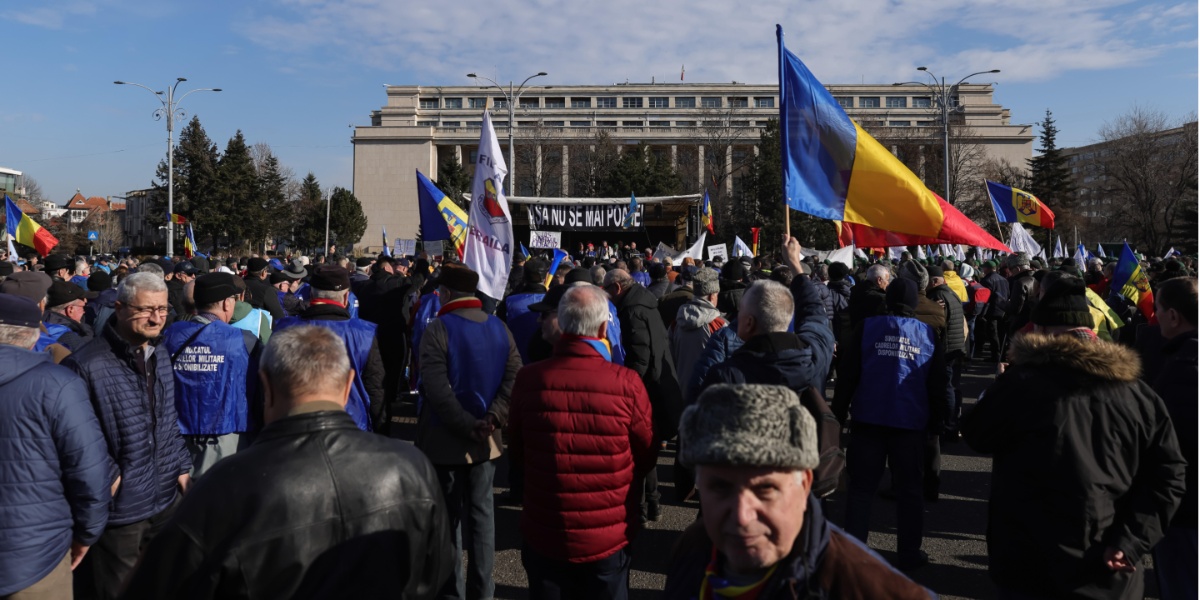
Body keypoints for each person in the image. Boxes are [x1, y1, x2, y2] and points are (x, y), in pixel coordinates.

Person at [121, 325, 455, 600]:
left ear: (264, 385)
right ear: (349, 384)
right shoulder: (411, 467)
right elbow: (435, 574)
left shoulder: (224, 485)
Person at [962, 276, 1186, 599]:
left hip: (1030, 568)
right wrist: (1131, 541)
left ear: (1043, 331)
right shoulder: (1139, 394)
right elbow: (1170, 474)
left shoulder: (1021, 383)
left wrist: (999, 386)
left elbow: (975, 432)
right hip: (1110, 570)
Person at [663, 384, 933, 599]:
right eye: (720, 487)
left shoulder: (873, 589)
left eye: (765, 489)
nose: (742, 516)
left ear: (804, 485)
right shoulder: (694, 546)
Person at [508, 285, 657, 599]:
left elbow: (518, 449)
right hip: (608, 533)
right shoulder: (627, 383)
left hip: (546, 527)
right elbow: (645, 453)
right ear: (604, 328)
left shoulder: (530, 378)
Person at [61, 272, 192, 599]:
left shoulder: (159, 354)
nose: (157, 318)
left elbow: (166, 416)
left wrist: (181, 465)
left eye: (162, 309)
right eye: (146, 309)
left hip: (164, 495)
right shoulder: (85, 364)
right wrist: (112, 476)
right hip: (121, 510)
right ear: (119, 308)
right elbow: (75, 438)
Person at [417, 263, 521, 600]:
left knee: (449, 522)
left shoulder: (438, 328)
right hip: (486, 440)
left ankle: (453, 593)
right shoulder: (499, 327)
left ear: (445, 293)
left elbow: (434, 387)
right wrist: (492, 418)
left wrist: (467, 423)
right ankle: (484, 591)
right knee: (482, 517)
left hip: (445, 441)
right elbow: (514, 378)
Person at [0, 294, 114, 599]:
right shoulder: (58, 384)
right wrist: (88, 532)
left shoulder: (57, 383)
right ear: (32, 335)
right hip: (36, 559)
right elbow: (89, 470)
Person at [838, 278, 947, 571]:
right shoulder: (927, 334)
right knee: (910, 491)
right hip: (909, 422)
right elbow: (938, 382)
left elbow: (848, 374)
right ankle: (909, 553)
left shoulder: (866, 327)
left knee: (861, 490)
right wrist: (939, 421)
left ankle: (855, 552)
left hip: (868, 419)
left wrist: (836, 414)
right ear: (913, 302)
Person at [162, 273, 262, 478]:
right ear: (227, 303)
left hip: (175, 438)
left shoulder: (168, 335)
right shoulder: (245, 340)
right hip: (229, 437)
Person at [603, 267, 683, 522]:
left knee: (639, 449)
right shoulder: (644, 303)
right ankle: (652, 502)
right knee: (646, 446)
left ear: (617, 288)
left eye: (607, 291)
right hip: (657, 386)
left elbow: (641, 358)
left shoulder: (632, 311)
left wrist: (626, 387)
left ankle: (642, 506)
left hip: (647, 389)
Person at [273, 266, 385, 432]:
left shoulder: (284, 328)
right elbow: (375, 387)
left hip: (294, 427)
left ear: (311, 295)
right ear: (346, 298)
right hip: (350, 426)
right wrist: (381, 429)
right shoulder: (364, 333)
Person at [1148, 277, 1197, 600]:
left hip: (1183, 513)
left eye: (1159, 309)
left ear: (1174, 316)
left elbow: (1173, 450)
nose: (1155, 316)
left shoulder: (1184, 369)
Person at [670, 267, 727, 391]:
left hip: (681, 393)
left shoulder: (676, 323)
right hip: (709, 396)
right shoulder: (719, 325)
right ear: (712, 296)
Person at [41, 280, 97, 350]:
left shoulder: (40, 324)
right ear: (70, 310)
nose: (84, 311)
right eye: (83, 307)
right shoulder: (72, 340)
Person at [977, 260, 1009, 362]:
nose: (983, 269)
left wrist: (982, 313)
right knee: (1001, 333)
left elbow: (985, 298)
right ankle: (1002, 355)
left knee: (993, 333)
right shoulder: (1004, 279)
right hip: (1003, 309)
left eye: (984, 268)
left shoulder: (987, 280)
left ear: (988, 268)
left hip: (992, 310)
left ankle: (996, 355)